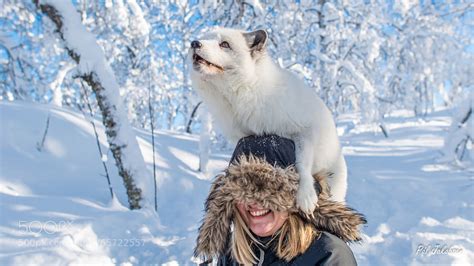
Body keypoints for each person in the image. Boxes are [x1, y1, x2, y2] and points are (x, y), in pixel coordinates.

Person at [195, 135, 366, 265]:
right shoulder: (231, 254)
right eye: (243, 193)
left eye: (268, 193)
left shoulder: (328, 254)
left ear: (294, 199)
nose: (254, 203)